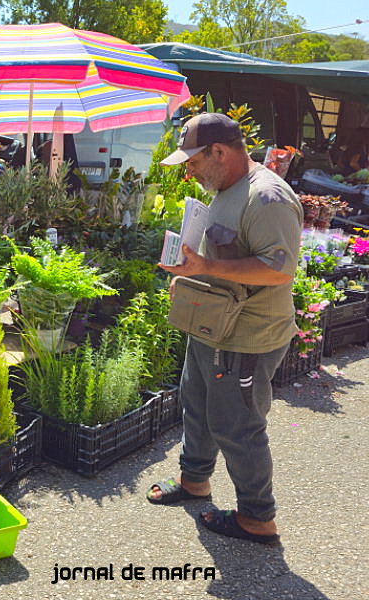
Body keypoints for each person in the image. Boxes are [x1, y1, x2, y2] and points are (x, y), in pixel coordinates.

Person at [147, 112, 303, 546]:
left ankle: (257, 517)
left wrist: (207, 266)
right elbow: (224, 249)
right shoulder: (227, 186)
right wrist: (192, 274)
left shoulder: (267, 197)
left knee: (237, 425)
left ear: (219, 151)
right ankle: (195, 480)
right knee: (195, 403)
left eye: (193, 161)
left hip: (246, 337)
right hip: (211, 324)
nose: (189, 170)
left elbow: (279, 270)